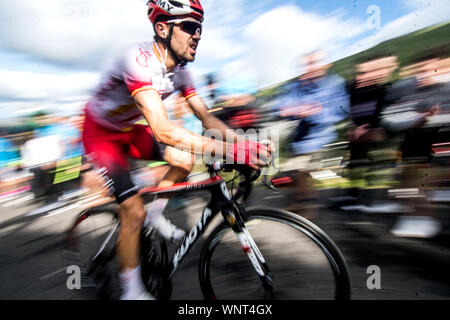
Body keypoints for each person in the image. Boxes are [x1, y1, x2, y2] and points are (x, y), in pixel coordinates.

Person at [82, 0, 271, 300]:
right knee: (132, 210)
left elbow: (206, 117)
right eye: (189, 27)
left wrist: (243, 143)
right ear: (161, 28)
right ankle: (131, 292)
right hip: (100, 134)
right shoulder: (138, 60)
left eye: (200, 28)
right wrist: (228, 152)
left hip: (129, 131)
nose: (197, 35)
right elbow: (164, 130)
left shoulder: (181, 71)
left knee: (184, 158)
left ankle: (155, 216)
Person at [277, 51, 349, 214]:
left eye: (314, 63)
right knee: (292, 175)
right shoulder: (296, 86)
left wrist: (315, 112)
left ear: (325, 65)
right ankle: (305, 200)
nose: (310, 68)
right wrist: (295, 110)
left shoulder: (335, 84)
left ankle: (305, 206)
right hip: (298, 140)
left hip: (319, 140)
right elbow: (282, 107)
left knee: (301, 171)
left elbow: (340, 111)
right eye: (307, 65)